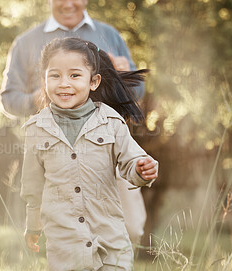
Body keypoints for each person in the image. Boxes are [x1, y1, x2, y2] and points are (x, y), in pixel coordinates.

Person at [0, 0, 147, 244]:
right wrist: (40, 97)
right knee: (69, 241)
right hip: (57, 152)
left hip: (108, 148)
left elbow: (138, 91)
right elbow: (8, 100)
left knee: (130, 229)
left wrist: (123, 79)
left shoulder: (109, 34)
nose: (68, 3)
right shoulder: (26, 42)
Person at [20, 37, 158, 271]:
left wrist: (141, 169)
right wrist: (33, 227)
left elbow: (130, 160)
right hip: (65, 248)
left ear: (93, 81)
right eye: (54, 76)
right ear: (44, 81)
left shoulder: (111, 122)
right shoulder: (36, 129)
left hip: (110, 244)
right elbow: (32, 188)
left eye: (74, 75)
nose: (64, 84)